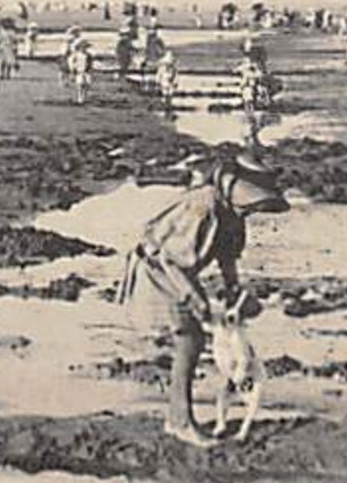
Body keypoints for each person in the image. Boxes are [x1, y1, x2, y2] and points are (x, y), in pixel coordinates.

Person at [118, 154, 290, 447]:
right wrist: (195, 298)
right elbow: (170, 259)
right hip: (158, 268)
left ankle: (178, 417)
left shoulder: (232, 211)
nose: (251, 213)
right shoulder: (202, 207)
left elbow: (227, 255)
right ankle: (179, 422)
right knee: (189, 339)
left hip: (176, 268)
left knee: (192, 338)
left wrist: (234, 287)